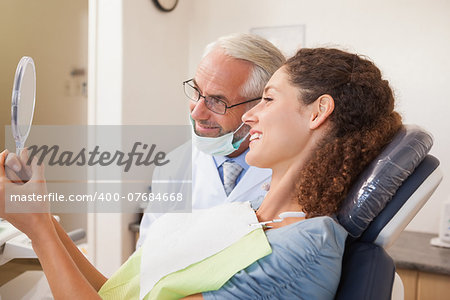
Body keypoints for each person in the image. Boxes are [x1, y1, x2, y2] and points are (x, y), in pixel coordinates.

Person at [0, 47, 402, 299]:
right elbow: (122, 292)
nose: (251, 115)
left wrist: (36, 228)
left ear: (318, 112)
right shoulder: (258, 218)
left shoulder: (302, 249)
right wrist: (44, 220)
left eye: (267, 99)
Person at [137, 33, 285, 248]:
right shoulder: (174, 165)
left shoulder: (294, 170)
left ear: (260, 107)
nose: (197, 112)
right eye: (196, 92)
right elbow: (144, 255)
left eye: (217, 101)